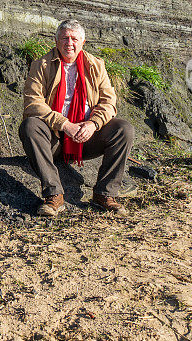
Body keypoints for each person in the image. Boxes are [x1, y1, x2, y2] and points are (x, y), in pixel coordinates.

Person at [19, 19, 135, 217]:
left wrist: (92, 124)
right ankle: (54, 195)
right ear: (56, 41)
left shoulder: (96, 65)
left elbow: (109, 103)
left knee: (124, 129)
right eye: (64, 38)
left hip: (86, 138)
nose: (69, 43)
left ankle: (104, 194)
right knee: (30, 125)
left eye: (74, 38)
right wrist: (65, 125)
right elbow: (33, 103)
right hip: (54, 138)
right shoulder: (41, 65)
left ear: (83, 42)